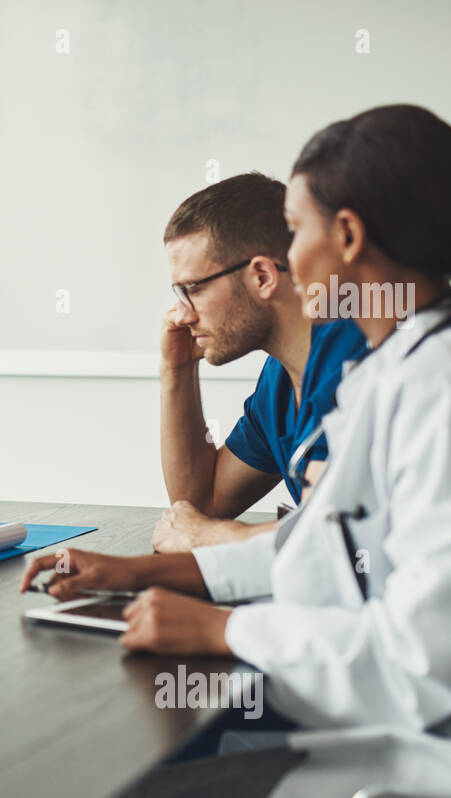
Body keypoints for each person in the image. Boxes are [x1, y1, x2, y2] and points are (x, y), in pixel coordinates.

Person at [22, 104, 451, 798]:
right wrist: (137, 570)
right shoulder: (407, 372)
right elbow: (324, 553)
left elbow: (420, 665)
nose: (285, 253)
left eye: (295, 227)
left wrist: (222, 629)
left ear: (345, 238)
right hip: (400, 744)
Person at [155, 173, 368, 553]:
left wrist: (213, 537)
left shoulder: (360, 361)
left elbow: (349, 536)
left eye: (195, 288)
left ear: (263, 276)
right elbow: (201, 503)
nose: (183, 314)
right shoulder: (280, 381)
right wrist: (177, 370)